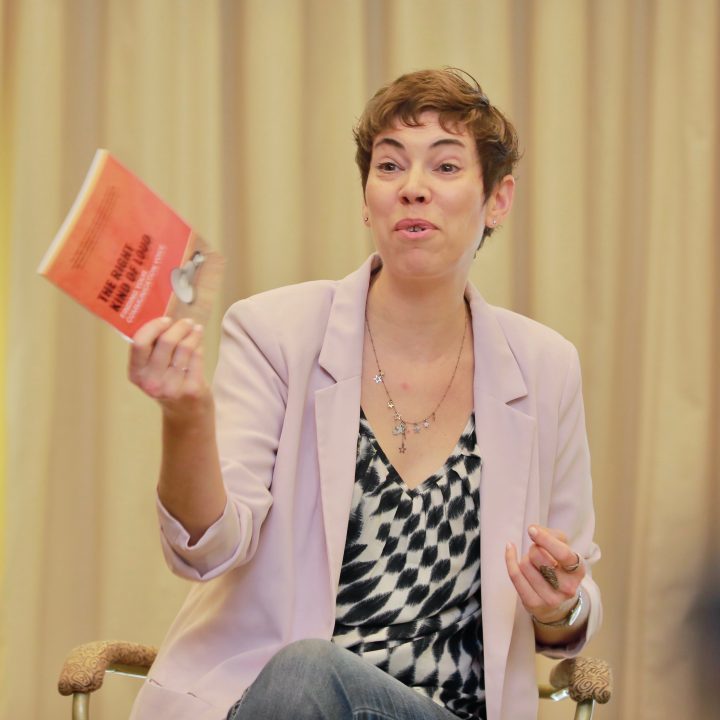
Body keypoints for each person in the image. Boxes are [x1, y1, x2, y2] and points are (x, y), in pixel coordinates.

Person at [127, 68, 602, 720]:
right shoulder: (275, 333)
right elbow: (207, 549)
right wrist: (186, 416)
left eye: (445, 166)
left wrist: (560, 604)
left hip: (448, 709)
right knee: (307, 675)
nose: (412, 188)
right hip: (287, 703)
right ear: (366, 198)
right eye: (389, 166)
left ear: (498, 200)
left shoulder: (546, 367)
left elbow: (573, 595)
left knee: (310, 671)